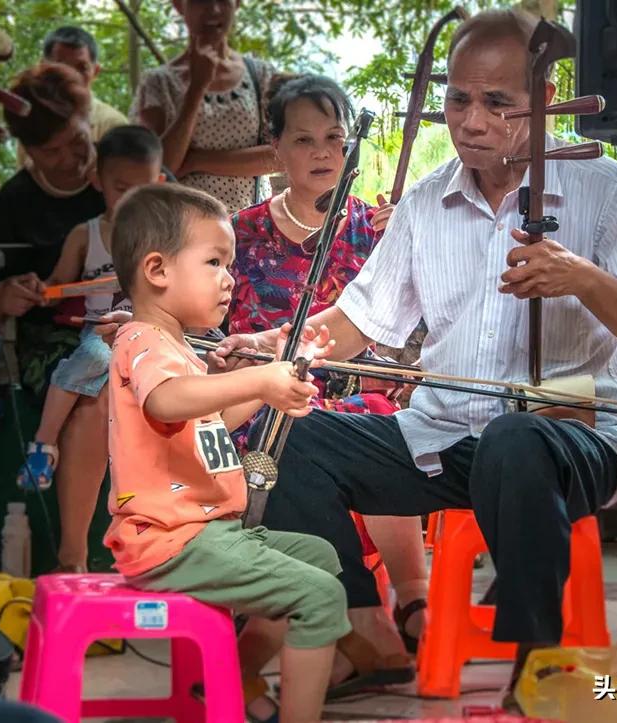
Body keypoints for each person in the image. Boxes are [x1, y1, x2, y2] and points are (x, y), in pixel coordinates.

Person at [214, 9, 617, 707]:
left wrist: (581, 277)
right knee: (295, 438)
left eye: (497, 102)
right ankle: (364, 627)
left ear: (546, 99)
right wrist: (268, 346)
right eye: (459, 99)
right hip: (441, 437)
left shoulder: (607, 188)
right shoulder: (427, 200)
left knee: (515, 438)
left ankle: (536, 661)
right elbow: (356, 320)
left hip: (568, 440)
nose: (472, 121)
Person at [107, 183, 349, 723]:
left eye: (230, 264)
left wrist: (279, 379)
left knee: (322, 559)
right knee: (320, 597)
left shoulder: (177, 348)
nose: (229, 278)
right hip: (172, 540)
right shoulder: (142, 340)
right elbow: (167, 401)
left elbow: (209, 423)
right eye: (214, 262)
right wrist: (260, 380)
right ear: (157, 270)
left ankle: (229, 681)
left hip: (207, 532)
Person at [228, 74, 427, 667]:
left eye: (335, 138)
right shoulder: (239, 233)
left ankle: (412, 598)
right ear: (276, 150)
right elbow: (201, 318)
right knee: (289, 431)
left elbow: (420, 324)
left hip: (356, 396)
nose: (322, 152)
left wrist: (411, 241)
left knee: (376, 421)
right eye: (303, 139)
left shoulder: (380, 228)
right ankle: (346, 621)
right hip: (263, 401)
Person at [0, 62, 108, 572]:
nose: (71, 160)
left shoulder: (123, 174)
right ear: (27, 151)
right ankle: (74, 559)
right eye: (52, 152)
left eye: (78, 141)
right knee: (92, 386)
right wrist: (5, 295)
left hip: (138, 323)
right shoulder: (11, 204)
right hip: (54, 337)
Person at [18, 125, 164, 490]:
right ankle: (43, 445)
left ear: (159, 182)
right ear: (97, 180)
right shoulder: (86, 234)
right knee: (97, 357)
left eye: (143, 188)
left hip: (149, 332)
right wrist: (40, 291)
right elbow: (56, 285)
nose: (132, 199)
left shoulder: (166, 237)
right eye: (121, 188)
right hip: (100, 331)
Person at [132, 0, 279, 212]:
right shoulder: (157, 83)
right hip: (182, 223)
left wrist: (195, 160)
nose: (214, 9)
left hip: (250, 224)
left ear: (237, 4)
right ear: (178, 5)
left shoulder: (262, 76)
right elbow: (158, 168)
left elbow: (281, 156)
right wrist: (197, 88)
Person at [16, 25, 128, 170]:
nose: (71, 76)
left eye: (81, 68)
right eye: (61, 66)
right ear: (44, 67)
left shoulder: (113, 125)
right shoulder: (33, 119)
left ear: (95, 71)